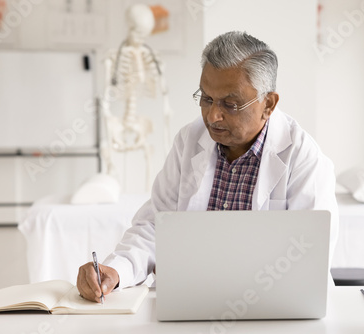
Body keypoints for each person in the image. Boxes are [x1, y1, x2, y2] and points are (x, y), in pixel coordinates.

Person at [77, 31, 339, 303]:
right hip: (192, 300)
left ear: (268, 104)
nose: (213, 116)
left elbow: (306, 259)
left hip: (270, 308)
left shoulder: (303, 158)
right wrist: (116, 270)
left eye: (230, 104)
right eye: (206, 98)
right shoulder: (190, 140)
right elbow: (156, 225)